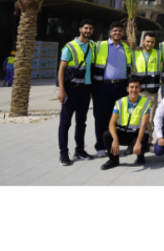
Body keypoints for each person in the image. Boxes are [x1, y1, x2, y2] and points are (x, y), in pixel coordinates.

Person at [56, 20, 95, 166]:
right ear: (80, 29)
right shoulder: (69, 46)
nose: (88, 30)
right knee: (65, 123)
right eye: (86, 28)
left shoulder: (92, 45)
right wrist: (61, 89)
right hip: (70, 89)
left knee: (81, 122)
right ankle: (63, 153)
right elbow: (61, 69)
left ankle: (79, 150)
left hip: (86, 89)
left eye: (90, 28)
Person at [90, 22, 132, 158]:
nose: (117, 33)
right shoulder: (99, 45)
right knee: (101, 117)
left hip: (121, 86)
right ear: (110, 32)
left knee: (120, 118)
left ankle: (115, 145)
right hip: (103, 86)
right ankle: (101, 146)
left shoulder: (126, 47)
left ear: (123, 33)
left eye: (120, 31)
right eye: (115, 31)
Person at [100, 80, 152, 170]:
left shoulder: (146, 102)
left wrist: (138, 143)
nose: (134, 90)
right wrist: (115, 139)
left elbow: (143, 126)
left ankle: (140, 156)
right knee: (107, 135)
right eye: (131, 87)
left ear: (140, 89)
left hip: (137, 133)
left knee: (142, 144)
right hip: (122, 133)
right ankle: (113, 160)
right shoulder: (120, 102)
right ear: (127, 89)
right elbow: (111, 123)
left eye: (136, 87)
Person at [130, 31, 162, 111]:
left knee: (151, 120)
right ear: (143, 41)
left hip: (153, 92)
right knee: (137, 118)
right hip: (139, 91)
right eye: (148, 41)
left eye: (152, 42)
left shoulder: (159, 54)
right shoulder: (134, 53)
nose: (150, 44)